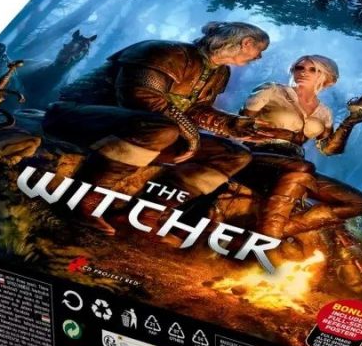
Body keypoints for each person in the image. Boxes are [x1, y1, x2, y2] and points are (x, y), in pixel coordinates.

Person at [43, 22, 290, 221]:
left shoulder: (219, 73)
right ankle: (85, 201)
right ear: (246, 43)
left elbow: (196, 110)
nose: (259, 57)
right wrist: (190, 133)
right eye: (260, 49)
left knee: (235, 156)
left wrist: (233, 125)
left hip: (145, 132)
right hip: (76, 117)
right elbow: (141, 97)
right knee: (161, 129)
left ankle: (148, 212)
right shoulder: (162, 51)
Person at [232, 54, 362, 239]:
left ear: (327, 77)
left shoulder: (325, 112)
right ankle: (269, 230)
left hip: (295, 165)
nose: (303, 72)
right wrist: (272, 132)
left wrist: (351, 121)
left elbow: (329, 149)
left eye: (312, 70)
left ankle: (282, 230)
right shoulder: (272, 90)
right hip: (259, 154)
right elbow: (238, 125)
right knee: (303, 168)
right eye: (299, 67)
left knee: (359, 203)